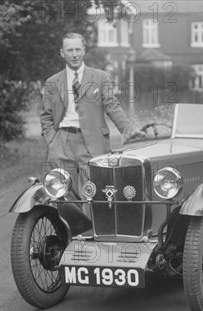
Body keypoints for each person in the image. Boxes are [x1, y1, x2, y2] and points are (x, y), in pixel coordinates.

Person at [40, 32, 143, 194]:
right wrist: (52, 140)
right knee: (61, 193)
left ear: (84, 51)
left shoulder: (100, 77)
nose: (74, 55)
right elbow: (46, 116)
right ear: (62, 53)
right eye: (70, 50)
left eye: (77, 50)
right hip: (62, 141)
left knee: (94, 192)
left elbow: (112, 105)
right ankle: (68, 219)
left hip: (92, 141)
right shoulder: (53, 82)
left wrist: (127, 129)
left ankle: (92, 219)